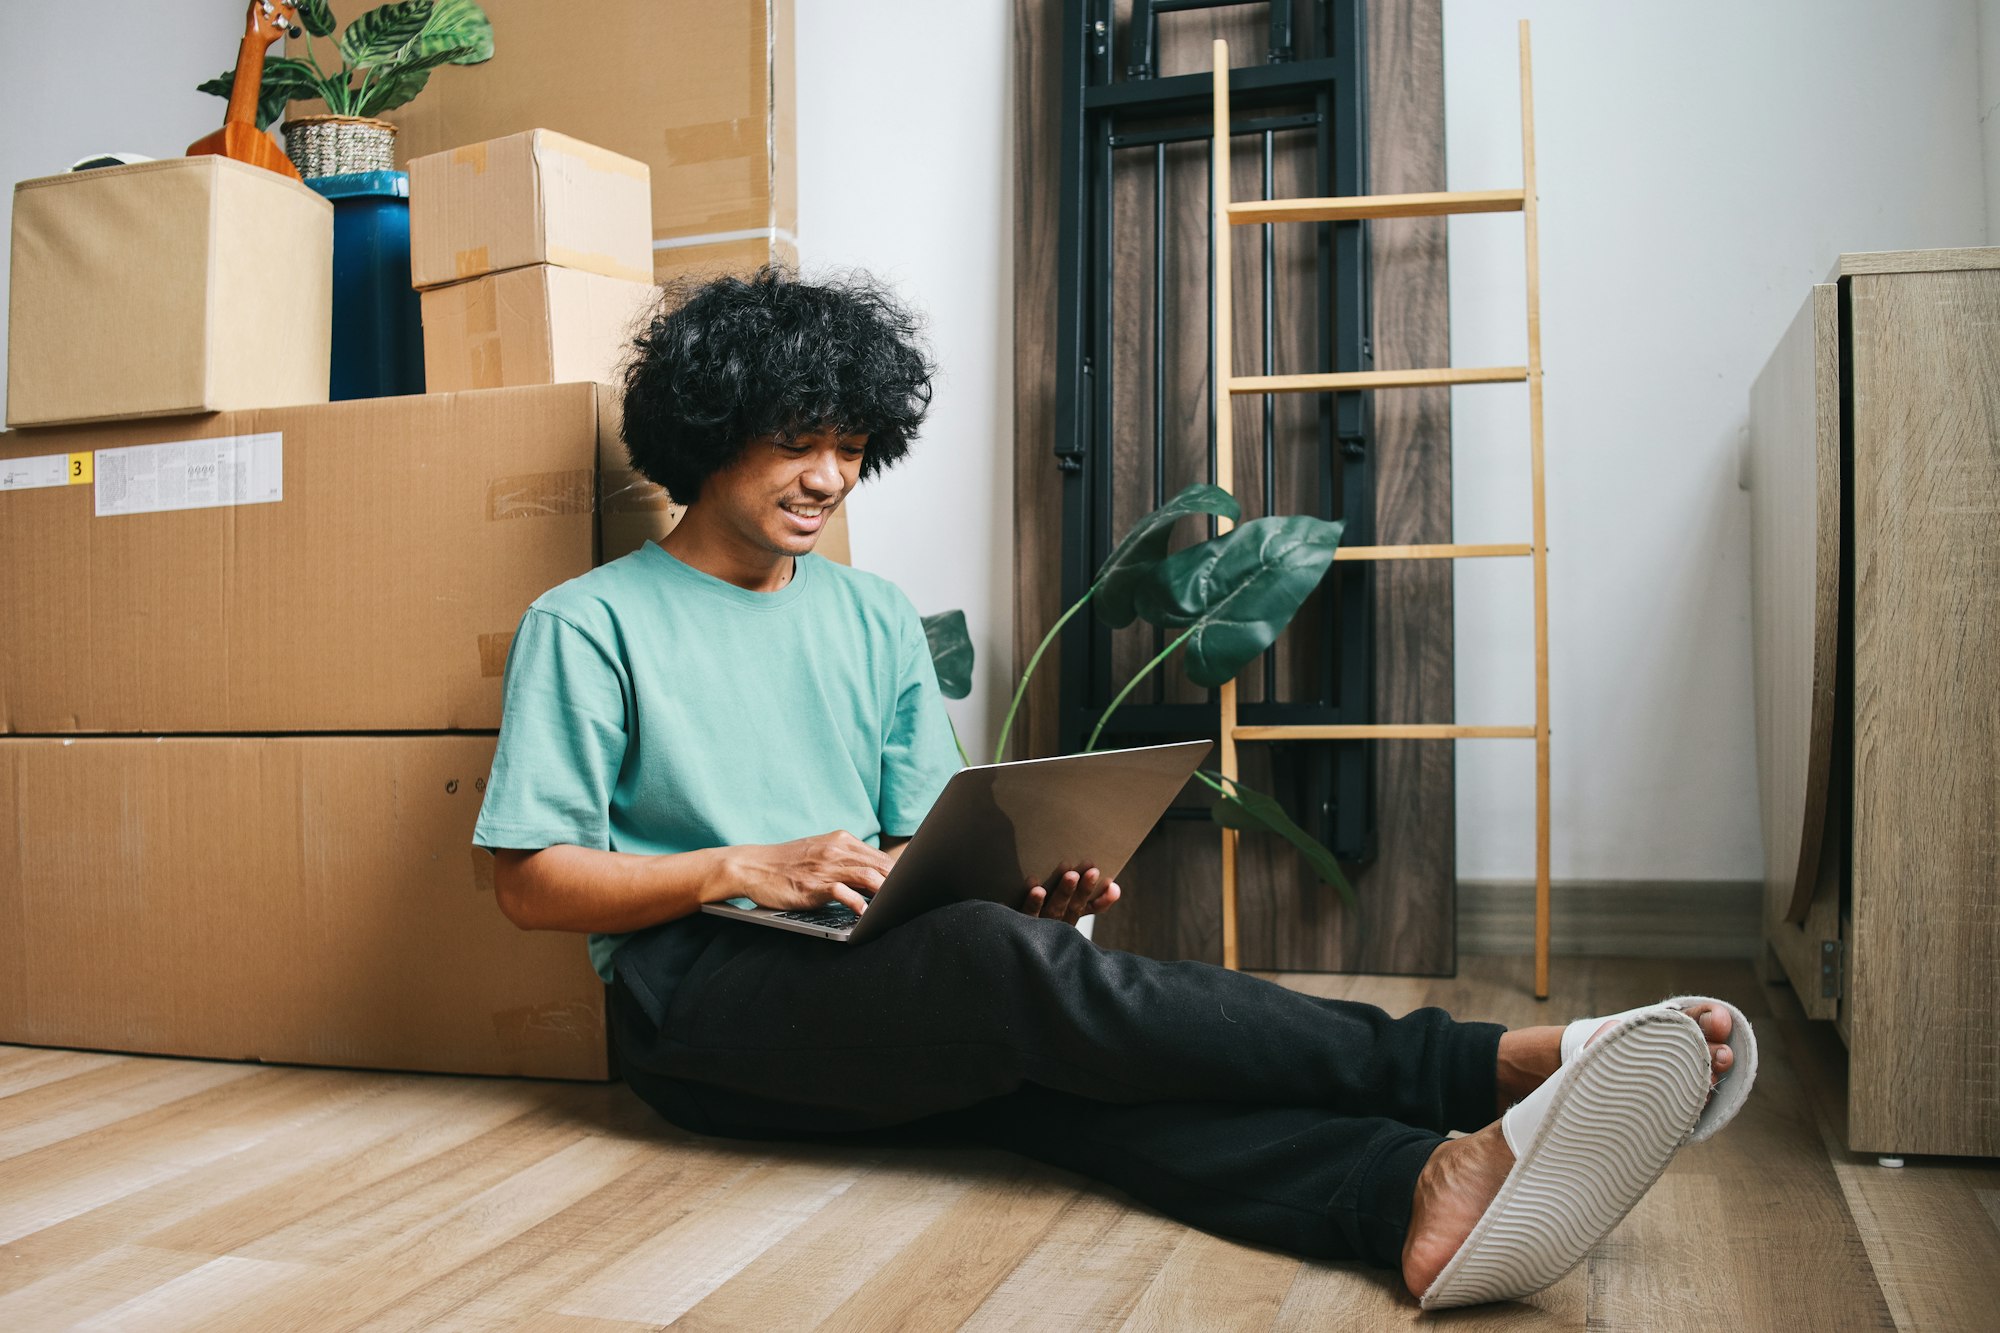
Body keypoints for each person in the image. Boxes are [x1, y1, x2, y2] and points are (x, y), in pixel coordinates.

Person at [471, 268, 1753, 1308]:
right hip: (698, 1005)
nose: (827, 479)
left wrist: (1025, 886)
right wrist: (732, 868)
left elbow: (930, 831)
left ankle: (1410, 1193)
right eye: (796, 444)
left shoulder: (866, 615)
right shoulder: (588, 622)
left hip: (867, 958)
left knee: (1045, 1056)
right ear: (706, 436)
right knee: (1003, 990)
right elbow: (526, 884)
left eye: (852, 448)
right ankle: (1469, 1069)